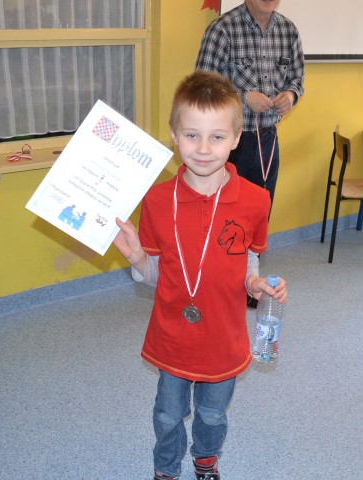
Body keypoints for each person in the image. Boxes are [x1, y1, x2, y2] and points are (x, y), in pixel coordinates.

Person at [112, 70, 288, 480]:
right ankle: (165, 468)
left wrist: (255, 285)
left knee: (212, 413)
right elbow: (159, 277)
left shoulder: (256, 200)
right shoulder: (157, 201)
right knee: (168, 414)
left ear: (236, 137)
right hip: (173, 337)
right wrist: (138, 259)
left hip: (224, 336)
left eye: (217, 136)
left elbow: (248, 260)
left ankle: (206, 460)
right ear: (174, 134)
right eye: (192, 135)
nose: (204, 149)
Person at [195, 0, 304, 207]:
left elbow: (297, 79)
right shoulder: (222, 29)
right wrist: (243, 97)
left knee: (261, 208)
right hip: (229, 142)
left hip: (268, 140)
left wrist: (291, 95)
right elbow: (201, 85)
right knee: (225, 210)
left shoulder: (288, 31)